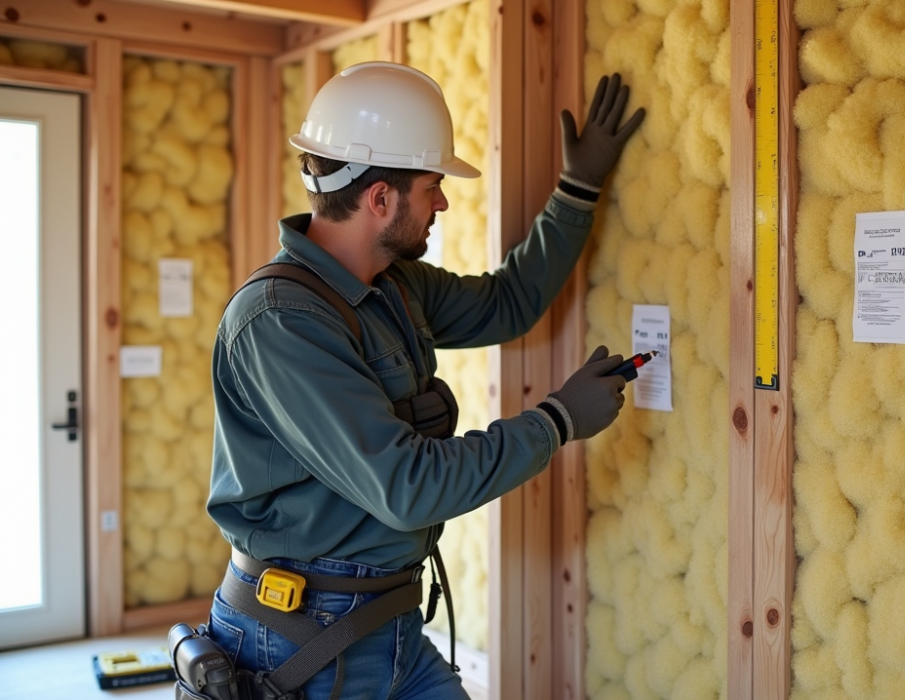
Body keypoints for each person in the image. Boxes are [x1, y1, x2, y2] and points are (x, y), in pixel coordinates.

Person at [201, 62, 644, 700]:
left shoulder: (393, 285)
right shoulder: (281, 323)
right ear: (380, 198)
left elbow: (507, 303)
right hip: (298, 638)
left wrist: (577, 188)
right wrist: (557, 421)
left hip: (387, 622)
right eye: (433, 185)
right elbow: (409, 487)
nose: (441, 201)